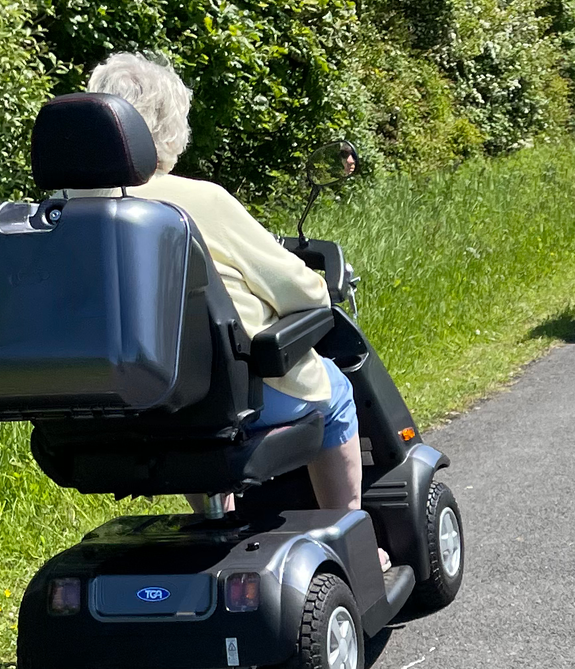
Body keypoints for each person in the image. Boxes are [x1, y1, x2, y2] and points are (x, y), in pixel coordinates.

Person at [82, 53, 367, 520]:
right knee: (334, 392)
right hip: (216, 404)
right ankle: (351, 534)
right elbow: (307, 294)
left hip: (107, 415)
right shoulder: (197, 200)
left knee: (183, 396)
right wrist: (317, 286)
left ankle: (220, 521)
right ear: (165, 127)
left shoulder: (57, 217)